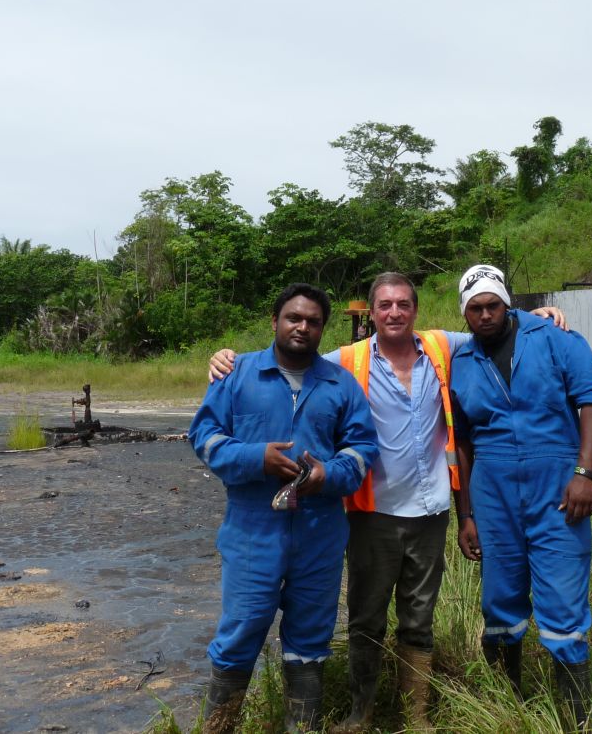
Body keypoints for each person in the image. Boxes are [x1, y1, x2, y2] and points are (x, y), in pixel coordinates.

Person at [209, 273, 565, 732]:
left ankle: (414, 717)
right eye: (384, 305)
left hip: (431, 509)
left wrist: (534, 318)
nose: (394, 312)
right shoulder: (345, 363)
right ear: (371, 313)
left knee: (419, 618)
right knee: (366, 618)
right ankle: (361, 713)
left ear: (416, 310)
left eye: (403, 304)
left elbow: (490, 321)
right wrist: (224, 360)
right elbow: (293, 356)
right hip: (371, 512)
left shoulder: (443, 347)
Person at [189, 283, 379, 734]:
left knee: (310, 643)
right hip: (253, 530)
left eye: (313, 321)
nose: (303, 327)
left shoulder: (340, 383)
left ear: (322, 329)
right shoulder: (237, 374)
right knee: (240, 633)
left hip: (320, 531)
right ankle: (219, 727)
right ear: (275, 321)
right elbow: (205, 437)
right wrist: (256, 458)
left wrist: (326, 477)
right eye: (294, 317)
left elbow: (362, 448)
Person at [449, 264, 592, 731]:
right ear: (465, 313)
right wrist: (466, 514)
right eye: (475, 309)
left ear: (507, 302)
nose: (485, 315)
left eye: (492, 305)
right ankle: (506, 709)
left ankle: (574, 718)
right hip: (493, 492)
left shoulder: (556, 337)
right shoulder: (460, 361)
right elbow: (462, 439)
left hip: (557, 486)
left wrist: (585, 473)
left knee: (562, 597)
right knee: (500, 599)